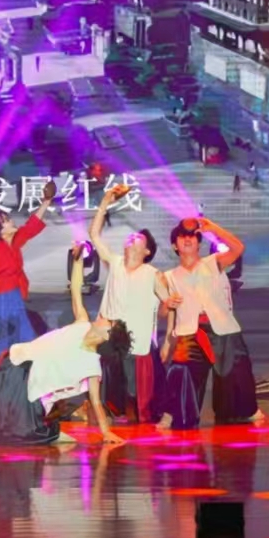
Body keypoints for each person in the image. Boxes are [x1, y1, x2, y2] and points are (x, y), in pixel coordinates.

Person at [0, 255, 127, 446]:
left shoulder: (92, 364)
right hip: (15, 361)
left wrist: (106, 432)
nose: (104, 317)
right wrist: (78, 259)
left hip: (28, 388)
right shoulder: (82, 323)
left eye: (109, 322)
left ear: (107, 335)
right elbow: (75, 289)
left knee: (0, 424)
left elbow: (96, 402)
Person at [154, 214, 262, 430]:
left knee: (234, 373)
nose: (188, 240)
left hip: (222, 327)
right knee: (181, 372)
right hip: (189, 332)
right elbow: (163, 313)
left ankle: (245, 411)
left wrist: (213, 228)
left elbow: (238, 248)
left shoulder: (213, 263)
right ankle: (172, 415)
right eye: (182, 237)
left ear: (199, 243)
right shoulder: (168, 277)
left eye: (192, 237)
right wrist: (167, 305)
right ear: (175, 245)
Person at [89, 182, 164, 424]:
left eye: (138, 238)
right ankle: (106, 414)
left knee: (133, 387)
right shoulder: (116, 262)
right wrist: (105, 202)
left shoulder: (153, 274)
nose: (132, 238)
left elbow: (168, 303)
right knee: (106, 376)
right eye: (131, 236)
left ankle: (136, 417)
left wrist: (169, 337)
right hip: (110, 333)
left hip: (136, 338)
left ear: (147, 251)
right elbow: (94, 235)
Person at [0, 188, 51, 351]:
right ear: (0, 230)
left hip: (14, 297)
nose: (11, 221)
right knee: (4, 345)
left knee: (25, 340)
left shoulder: (13, 242)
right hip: (2, 301)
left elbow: (31, 227)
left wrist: (45, 202)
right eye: (6, 220)